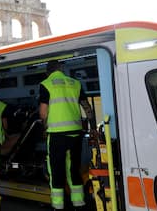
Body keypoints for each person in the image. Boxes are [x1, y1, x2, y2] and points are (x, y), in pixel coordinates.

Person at [39, 60, 95, 211]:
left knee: (56, 170)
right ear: (61, 70)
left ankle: (58, 206)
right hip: (76, 134)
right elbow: (86, 107)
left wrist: (45, 128)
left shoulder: (46, 83)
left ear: (47, 72)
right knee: (74, 169)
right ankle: (79, 204)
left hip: (57, 135)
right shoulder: (75, 83)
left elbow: (43, 113)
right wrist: (93, 126)